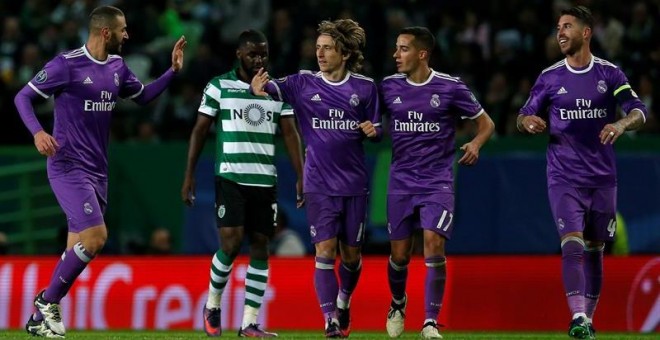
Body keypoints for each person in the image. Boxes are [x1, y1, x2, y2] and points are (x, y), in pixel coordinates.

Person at [13, 5, 185, 338]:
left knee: (77, 246)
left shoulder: (119, 67)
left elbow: (143, 97)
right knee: (97, 238)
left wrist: (172, 72)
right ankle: (47, 301)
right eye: (123, 30)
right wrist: (37, 131)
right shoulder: (67, 64)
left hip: (98, 170)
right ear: (106, 32)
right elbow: (23, 97)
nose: (127, 35)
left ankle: (37, 318)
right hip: (67, 165)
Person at [517, 6, 647, 339]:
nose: (559, 33)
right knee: (572, 244)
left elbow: (639, 111)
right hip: (563, 176)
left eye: (567, 27)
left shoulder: (610, 74)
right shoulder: (549, 77)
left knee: (594, 248)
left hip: (602, 177)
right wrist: (526, 121)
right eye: (558, 27)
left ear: (586, 32)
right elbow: (524, 113)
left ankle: (587, 319)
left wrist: (621, 122)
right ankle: (577, 317)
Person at [251, 19, 381, 338]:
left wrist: (374, 131)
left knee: (351, 257)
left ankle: (344, 302)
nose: (320, 53)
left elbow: (378, 129)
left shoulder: (365, 88)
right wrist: (258, 87)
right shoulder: (302, 82)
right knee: (324, 251)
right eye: (318, 47)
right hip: (319, 183)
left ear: (345, 53)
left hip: (354, 185)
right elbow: (270, 87)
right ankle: (330, 320)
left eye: (327, 48)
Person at [181, 29, 303, 338]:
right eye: (252, 54)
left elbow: (290, 133)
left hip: (264, 179)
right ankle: (212, 305)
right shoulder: (219, 86)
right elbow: (199, 130)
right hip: (231, 176)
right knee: (232, 244)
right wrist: (189, 175)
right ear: (239, 54)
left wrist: (303, 175)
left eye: (263, 53)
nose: (258, 59)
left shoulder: (277, 90)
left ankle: (249, 323)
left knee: (261, 245)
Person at [379, 27, 495, 339]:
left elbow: (486, 124)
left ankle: (430, 321)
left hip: (437, 182)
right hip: (400, 181)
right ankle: (397, 303)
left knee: (433, 243)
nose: (396, 55)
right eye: (396, 48)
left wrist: (475, 144)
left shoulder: (450, 87)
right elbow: (374, 123)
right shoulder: (388, 87)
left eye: (402, 49)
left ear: (422, 54)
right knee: (400, 255)